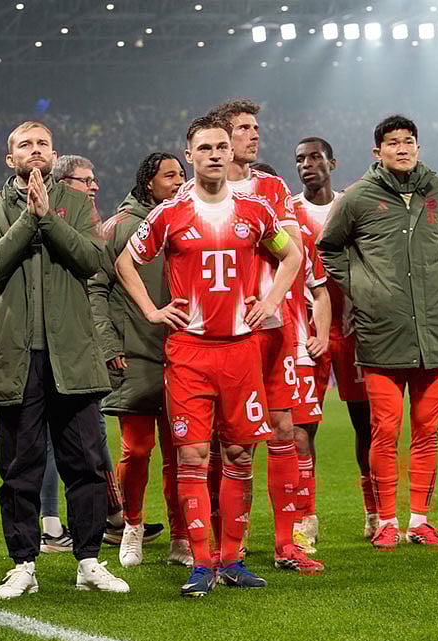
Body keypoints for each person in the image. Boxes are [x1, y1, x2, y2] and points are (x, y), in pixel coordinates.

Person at [116, 113, 301, 597]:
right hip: (191, 352)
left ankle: (234, 558)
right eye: (206, 147)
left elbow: (293, 255)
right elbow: (124, 261)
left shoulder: (257, 210)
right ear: (191, 154)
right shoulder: (169, 213)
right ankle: (202, 562)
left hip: (242, 350)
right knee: (194, 455)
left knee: (240, 453)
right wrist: (153, 311)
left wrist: (273, 299)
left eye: (222, 146)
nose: (216, 154)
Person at [0, 121, 128, 599]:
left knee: (84, 463)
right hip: (17, 357)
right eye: (25, 145)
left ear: (52, 152)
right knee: (20, 467)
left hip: (74, 354)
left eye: (42, 144)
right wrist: (30, 219)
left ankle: (88, 560)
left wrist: (50, 218)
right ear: (9, 158)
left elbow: (91, 261)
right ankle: (23, 563)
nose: (34, 150)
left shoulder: (78, 204)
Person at [318, 114, 438, 549]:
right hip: (381, 332)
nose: (402, 148)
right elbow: (329, 248)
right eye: (393, 142)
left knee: (428, 430)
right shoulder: (358, 197)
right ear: (376, 152)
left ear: (418, 147)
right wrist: (362, 288)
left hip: (434, 332)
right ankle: (385, 521)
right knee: (386, 429)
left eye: (409, 141)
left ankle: (418, 519)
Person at [206, 99, 322, 573]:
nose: (254, 136)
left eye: (256, 128)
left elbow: (289, 251)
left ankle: (286, 543)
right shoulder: (199, 195)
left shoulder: (272, 187)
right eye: (243, 129)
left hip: (272, 329)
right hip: (220, 334)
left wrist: (270, 301)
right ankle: (227, 544)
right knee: (227, 442)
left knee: (283, 433)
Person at [90, 152, 188, 568]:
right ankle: (131, 527)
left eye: (182, 175)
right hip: (137, 354)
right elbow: (95, 290)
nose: (179, 181)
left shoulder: (190, 220)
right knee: (138, 449)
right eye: (170, 175)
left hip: (185, 353)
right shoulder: (120, 227)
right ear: (148, 182)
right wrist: (110, 345)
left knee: (182, 451)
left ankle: (182, 535)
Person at [44, 154, 135, 552]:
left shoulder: (88, 220)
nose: (94, 186)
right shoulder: (58, 221)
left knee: (85, 436)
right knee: (66, 438)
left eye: (95, 179)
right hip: (65, 342)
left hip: (81, 343)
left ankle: (108, 517)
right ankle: (61, 525)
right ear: (64, 184)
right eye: (85, 180)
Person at [289, 138, 341, 548]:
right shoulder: (288, 214)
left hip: (341, 328)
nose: (307, 165)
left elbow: (319, 287)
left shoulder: (350, 205)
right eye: (299, 160)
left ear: (331, 163)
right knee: (278, 432)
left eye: (314, 157)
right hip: (290, 332)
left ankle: (378, 516)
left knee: (362, 420)